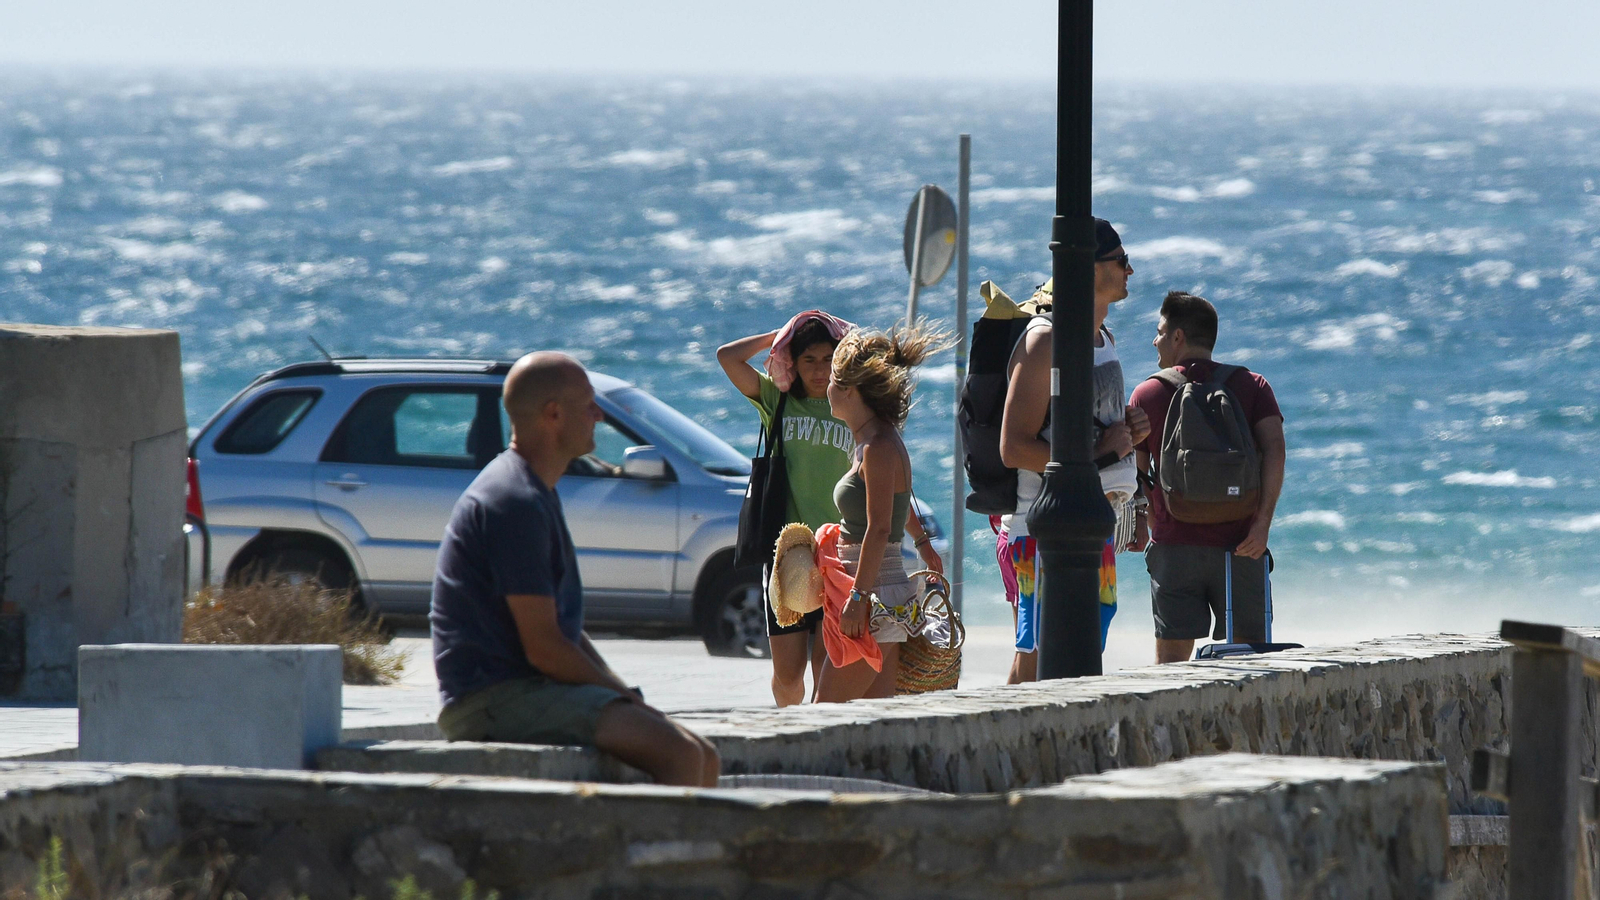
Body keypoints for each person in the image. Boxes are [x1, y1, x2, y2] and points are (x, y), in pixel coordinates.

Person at [429, 351, 720, 786]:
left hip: (528, 689)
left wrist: (622, 693)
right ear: (553, 414)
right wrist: (622, 698)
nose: (598, 415)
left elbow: (563, 634)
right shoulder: (513, 501)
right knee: (679, 754)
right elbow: (544, 649)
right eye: (588, 405)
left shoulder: (534, 491)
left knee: (704, 755)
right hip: (491, 698)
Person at [997, 218, 1150, 683]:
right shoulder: (1046, 341)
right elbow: (1013, 446)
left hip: (1095, 528)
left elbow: (1099, 432)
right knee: (1038, 657)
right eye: (1122, 260)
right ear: (1089, 267)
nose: (1130, 270)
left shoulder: (1105, 341)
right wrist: (1101, 453)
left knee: (1081, 660)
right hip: (1045, 530)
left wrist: (1130, 431)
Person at [1128, 291, 1287, 664]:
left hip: (1174, 547)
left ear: (1178, 336)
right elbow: (1275, 451)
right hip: (1243, 546)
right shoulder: (1253, 386)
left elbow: (1135, 472)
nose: (1155, 341)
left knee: (1171, 665)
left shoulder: (1147, 393)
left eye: (1160, 332)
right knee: (1249, 660)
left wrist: (1151, 524)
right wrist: (1262, 525)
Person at [717, 311, 854, 706]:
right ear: (792, 361)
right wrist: (779, 336)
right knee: (788, 675)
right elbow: (727, 357)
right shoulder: (777, 401)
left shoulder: (852, 407)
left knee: (827, 667)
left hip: (838, 554)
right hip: (788, 555)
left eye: (828, 359)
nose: (819, 370)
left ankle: (819, 732)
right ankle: (789, 724)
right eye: (808, 359)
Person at [816, 323, 947, 703]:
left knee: (824, 712)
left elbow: (878, 528)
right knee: (875, 715)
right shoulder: (875, 441)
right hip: (881, 591)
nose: (826, 388)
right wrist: (923, 544)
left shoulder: (877, 446)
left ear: (849, 389)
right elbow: (897, 505)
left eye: (832, 380)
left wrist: (858, 598)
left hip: (872, 593)